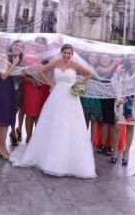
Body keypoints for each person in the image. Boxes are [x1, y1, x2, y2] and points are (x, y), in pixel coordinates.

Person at [10, 43, 96, 179]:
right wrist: (50, 83)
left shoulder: (74, 65)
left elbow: (90, 73)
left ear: (72, 54)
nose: (67, 55)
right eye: (65, 52)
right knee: (54, 124)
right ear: (61, 53)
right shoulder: (55, 62)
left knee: (70, 126)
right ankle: (47, 159)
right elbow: (41, 71)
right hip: (56, 95)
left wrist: (79, 84)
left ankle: (69, 162)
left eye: (69, 53)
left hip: (70, 97)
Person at [0, 40, 24, 159]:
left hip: (8, 89)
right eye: (16, 45)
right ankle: (2, 147)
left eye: (20, 46)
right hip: (2, 88)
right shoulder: (4, 56)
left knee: (2, 117)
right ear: (11, 46)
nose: (18, 48)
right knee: (3, 118)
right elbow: (3, 76)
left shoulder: (16, 59)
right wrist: (14, 63)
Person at [112, 53, 135, 165]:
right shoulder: (121, 68)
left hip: (134, 101)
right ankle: (116, 151)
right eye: (131, 56)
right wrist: (118, 92)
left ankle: (126, 152)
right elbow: (113, 81)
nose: (133, 58)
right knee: (117, 126)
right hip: (121, 99)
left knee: (130, 127)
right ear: (128, 57)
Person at [80, 52, 102, 147]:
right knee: (84, 119)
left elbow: (101, 79)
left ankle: (92, 142)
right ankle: (83, 142)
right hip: (84, 95)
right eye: (91, 55)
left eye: (95, 56)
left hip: (95, 97)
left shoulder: (99, 69)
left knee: (94, 120)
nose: (93, 58)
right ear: (88, 57)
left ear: (97, 59)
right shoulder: (82, 67)